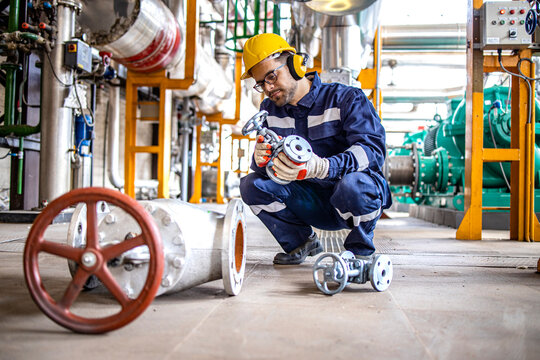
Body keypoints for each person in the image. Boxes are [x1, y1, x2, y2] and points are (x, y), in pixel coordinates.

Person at [239, 33, 392, 265]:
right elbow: (267, 173)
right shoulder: (270, 110)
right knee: (252, 185)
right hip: (310, 201)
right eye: (261, 84)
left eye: (271, 76)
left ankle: (360, 250)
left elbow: (372, 151)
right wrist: (260, 159)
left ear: (294, 64)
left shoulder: (346, 99)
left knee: (355, 185)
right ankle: (300, 242)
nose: (268, 88)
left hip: (350, 199)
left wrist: (323, 167)